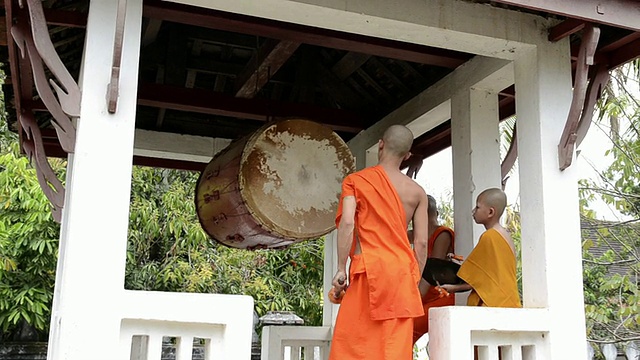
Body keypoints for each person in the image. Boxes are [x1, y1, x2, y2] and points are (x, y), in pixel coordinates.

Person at [328, 125, 429, 360]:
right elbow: (421, 243)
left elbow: (347, 224)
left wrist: (341, 268)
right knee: (394, 348)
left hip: (369, 270)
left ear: (381, 144)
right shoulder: (417, 193)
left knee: (353, 344)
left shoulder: (356, 181)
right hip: (401, 276)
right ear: (407, 156)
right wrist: (412, 280)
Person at [439, 188, 521, 308]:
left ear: (490, 212)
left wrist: (453, 288)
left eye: (477, 207)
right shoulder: (505, 236)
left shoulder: (490, 236)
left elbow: (477, 280)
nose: (473, 211)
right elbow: (485, 275)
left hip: (495, 303)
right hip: (508, 300)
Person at [411, 195, 455, 344]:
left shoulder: (442, 234)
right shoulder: (418, 236)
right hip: (423, 295)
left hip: (442, 296)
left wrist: (415, 298)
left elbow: (432, 271)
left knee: (410, 327)